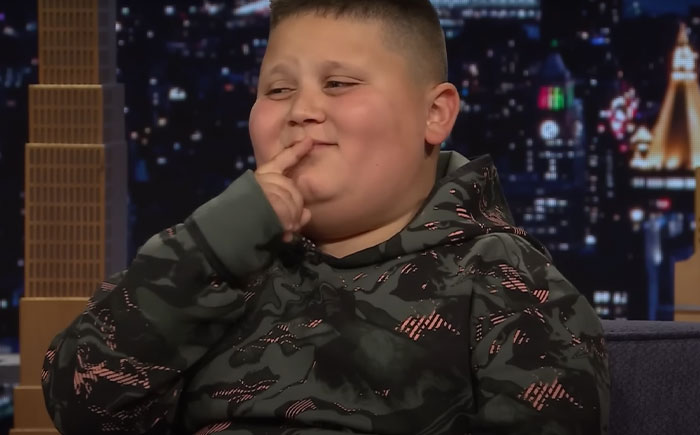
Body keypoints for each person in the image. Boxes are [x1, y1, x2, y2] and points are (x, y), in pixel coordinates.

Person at [41, 0, 610, 433]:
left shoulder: (507, 281)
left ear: (435, 114)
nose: (302, 111)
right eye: (277, 89)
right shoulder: (213, 265)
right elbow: (79, 406)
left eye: (338, 84)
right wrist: (212, 247)